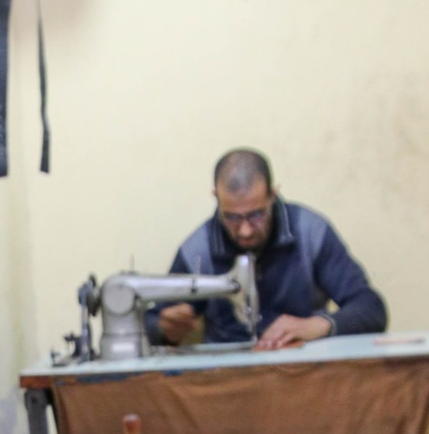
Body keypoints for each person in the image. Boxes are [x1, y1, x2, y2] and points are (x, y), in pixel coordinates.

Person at [153, 148, 388, 350]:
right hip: (228, 378)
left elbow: (371, 308)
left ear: (273, 196)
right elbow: (152, 323)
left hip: (302, 370)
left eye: (256, 215)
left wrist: (317, 325)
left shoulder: (310, 233)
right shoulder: (198, 249)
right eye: (232, 217)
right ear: (217, 198)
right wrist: (164, 329)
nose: (245, 231)